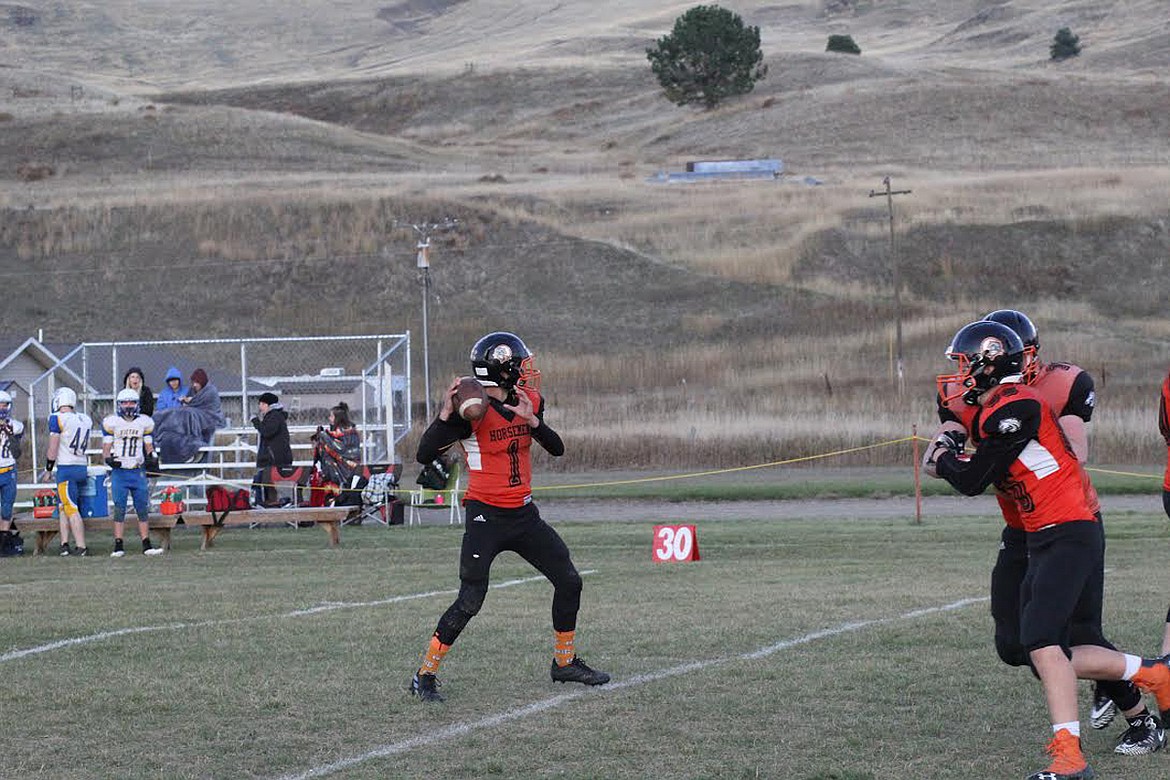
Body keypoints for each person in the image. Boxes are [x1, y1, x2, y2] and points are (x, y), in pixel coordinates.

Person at [927, 320, 1170, 780]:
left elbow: (970, 478)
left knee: (1043, 641)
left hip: (1070, 529)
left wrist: (942, 457)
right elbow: (961, 451)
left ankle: (1071, 757)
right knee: (1035, 644)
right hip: (1043, 532)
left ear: (989, 362)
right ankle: (1154, 674)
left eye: (963, 365)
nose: (957, 376)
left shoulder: (1015, 405)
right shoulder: (997, 404)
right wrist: (949, 450)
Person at [409, 331, 608, 703]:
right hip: (486, 516)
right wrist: (443, 416)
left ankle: (563, 663)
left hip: (524, 514)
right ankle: (425, 674)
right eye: (519, 362)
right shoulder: (472, 411)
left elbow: (557, 448)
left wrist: (534, 423)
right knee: (470, 599)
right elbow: (423, 454)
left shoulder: (529, 400)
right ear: (501, 368)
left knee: (569, 580)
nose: (526, 369)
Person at [102, 388, 163, 557]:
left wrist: (152, 456)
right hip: (120, 472)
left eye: (131, 402)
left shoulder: (144, 422)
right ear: (119, 404)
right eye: (125, 402)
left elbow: (149, 445)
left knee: (142, 508)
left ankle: (146, 544)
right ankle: (118, 545)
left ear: (137, 404)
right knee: (120, 508)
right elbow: (106, 447)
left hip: (137, 471)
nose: (128, 406)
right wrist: (108, 459)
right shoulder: (112, 422)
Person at [40, 387, 91, 556]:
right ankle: (64, 544)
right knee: (63, 506)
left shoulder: (57, 418)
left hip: (67, 469)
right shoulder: (84, 418)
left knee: (70, 507)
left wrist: (48, 468)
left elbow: (53, 447)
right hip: (81, 466)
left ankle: (81, 546)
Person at [153, 368, 225, 463]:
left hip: (210, 416)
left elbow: (199, 402)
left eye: (196, 383)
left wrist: (188, 401)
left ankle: (193, 437)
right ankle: (163, 433)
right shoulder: (166, 393)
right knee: (172, 414)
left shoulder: (210, 390)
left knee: (189, 413)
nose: (194, 385)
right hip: (188, 414)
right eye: (193, 382)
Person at [313, 401, 362, 502]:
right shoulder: (336, 432)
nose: (329, 418)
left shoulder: (347, 432)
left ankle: (337, 497)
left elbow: (339, 448)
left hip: (347, 467)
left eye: (331, 416)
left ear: (337, 418)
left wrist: (324, 435)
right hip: (339, 466)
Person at [251, 391, 291, 506]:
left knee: (258, 483)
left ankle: (258, 505)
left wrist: (255, 421)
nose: (260, 407)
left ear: (266, 404)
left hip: (272, 460)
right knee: (264, 484)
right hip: (272, 460)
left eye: (261, 404)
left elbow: (266, 432)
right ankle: (269, 503)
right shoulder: (274, 416)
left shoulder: (274, 416)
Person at [0, 390, 25, 557]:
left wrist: (10, 435)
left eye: (5, 405)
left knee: (7, 508)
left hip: (9, 470)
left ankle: (3, 541)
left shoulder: (15, 426)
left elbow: (17, 453)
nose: (2, 408)